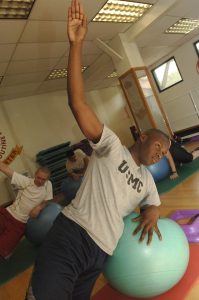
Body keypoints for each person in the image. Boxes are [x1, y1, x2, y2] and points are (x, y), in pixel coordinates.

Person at [25, 1, 171, 299]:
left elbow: (152, 203)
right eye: (158, 146)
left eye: (163, 152)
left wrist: (153, 214)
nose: (159, 155)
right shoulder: (111, 146)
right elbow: (78, 104)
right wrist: (76, 45)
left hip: (101, 253)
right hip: (71, 236)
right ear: (142, 137)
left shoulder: (145, 181)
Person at [0, 162, 53, 259]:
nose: (40, 181)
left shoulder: (48, 185)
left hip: (19, 223)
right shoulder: (26, 181)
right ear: (35, 175)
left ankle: (6, 249)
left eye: (43, 179)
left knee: (2, 250)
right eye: (38, 177)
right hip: (7, 214)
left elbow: (48, 200)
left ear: (47, 179)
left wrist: (39, 207)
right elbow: (4, 168)